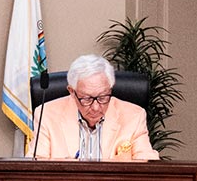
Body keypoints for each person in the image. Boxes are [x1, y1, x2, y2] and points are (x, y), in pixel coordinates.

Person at [28, 55, 159, 161]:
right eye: (87, 99)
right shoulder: (47, 114)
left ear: (110, 88)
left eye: (103, 97)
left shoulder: (134, 116)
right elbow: (37, 166)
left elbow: (147, 165)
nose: (96, 107)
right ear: (72, 92)